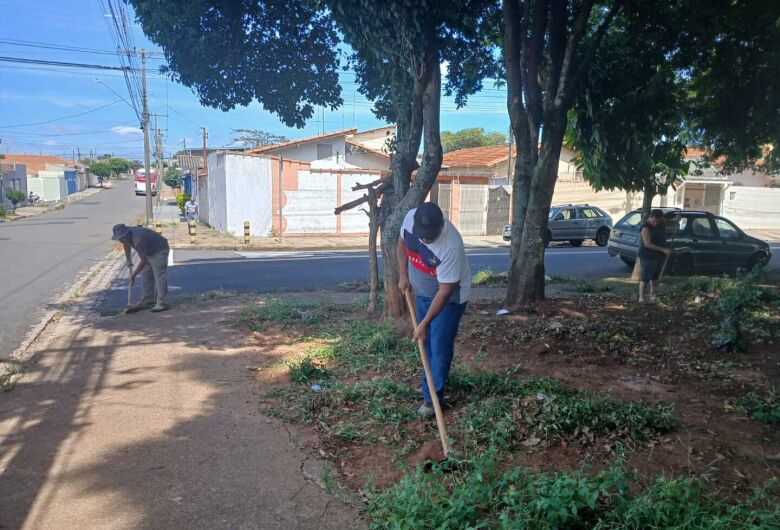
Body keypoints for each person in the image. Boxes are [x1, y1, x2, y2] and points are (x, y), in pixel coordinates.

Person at [397, 202, 471, 417]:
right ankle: (428, 382)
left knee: (438, 346)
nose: (425, 239)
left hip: (448, 299)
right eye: (423, 235)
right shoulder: (411, 218)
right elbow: (401, 244)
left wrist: (424, 323)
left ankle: (432, 400)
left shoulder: (451, 245)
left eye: (430, 236)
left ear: (441, 226)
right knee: (425, 342)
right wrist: (403, 275)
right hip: (422, 291)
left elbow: (445, 290)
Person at [112, 223, 170, 312]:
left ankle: (161, 303)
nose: (120, 240)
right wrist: (128, 259)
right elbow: (126, 244)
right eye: (119, 238)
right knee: (146, 276)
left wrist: (133, 276)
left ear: (126, 234)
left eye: (121, 238)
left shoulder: (139, 239)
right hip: (147, 251)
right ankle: (148, 301)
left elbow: (143, 260)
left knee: (159, 276)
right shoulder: (125, 237)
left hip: (159, 250)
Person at [637, 209, 673, 303]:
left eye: (658, 220)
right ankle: (641, 298)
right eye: (654, 220)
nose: (656, 222)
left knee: (655, 277)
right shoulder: (645, 228)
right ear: (650, 217)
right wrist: (664, 250)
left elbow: (669, 221)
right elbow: (647, 244)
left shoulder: (661, 221)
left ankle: (653, 296)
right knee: (646, 277)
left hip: (659, 255)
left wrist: (677, 219)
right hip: (647, 256)